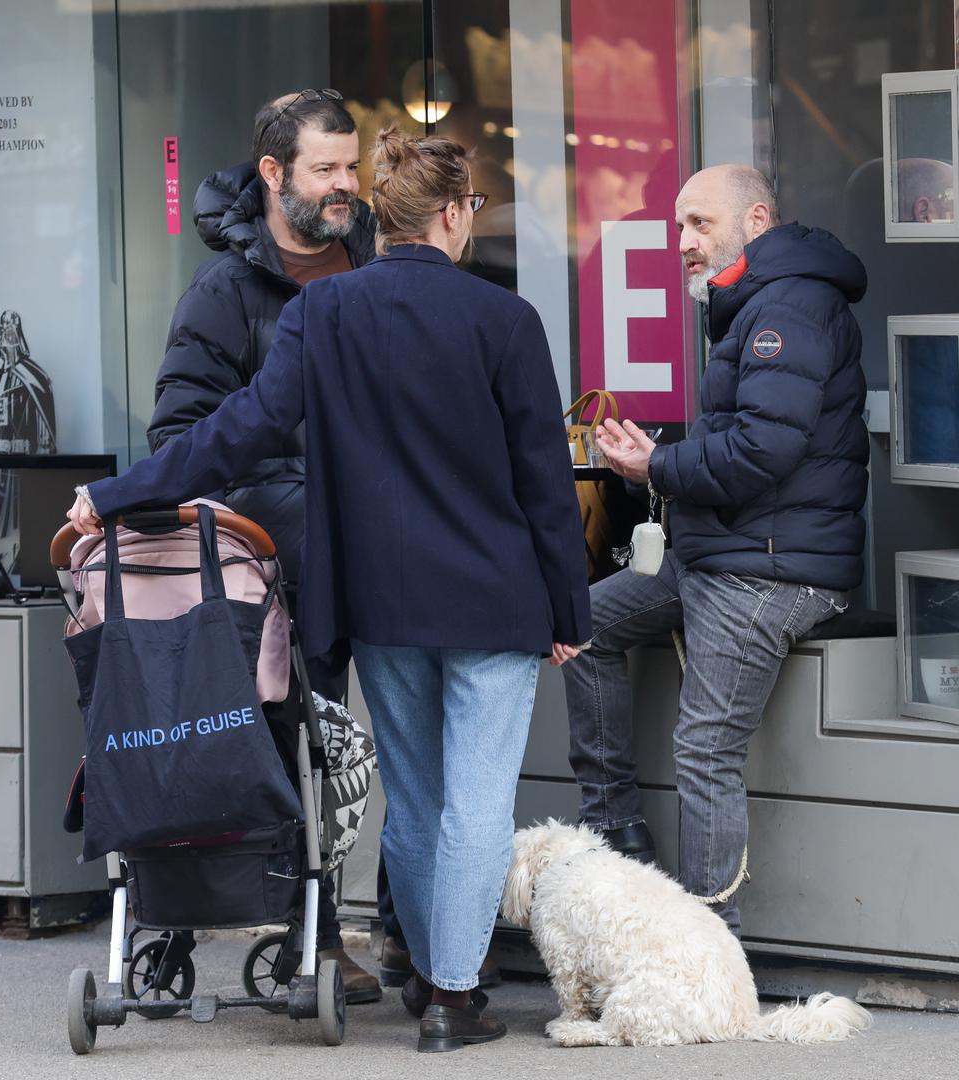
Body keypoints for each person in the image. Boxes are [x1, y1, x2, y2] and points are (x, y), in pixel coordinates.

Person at [68, 125, 590, 1052]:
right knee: (476, 802)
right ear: (456, 214)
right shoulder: (505, 321)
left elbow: (235, 430)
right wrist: (568, 609)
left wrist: (114, 495)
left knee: (419, 802)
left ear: (383, 217)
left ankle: (436, 979)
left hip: (384, 603)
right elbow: (545, 484)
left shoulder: (326, 313)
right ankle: (453, 1001)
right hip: (496, 599)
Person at [562, 164, 869, 935]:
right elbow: (746, 438)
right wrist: (658, 451)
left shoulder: (787, 307)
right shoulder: (756, 302)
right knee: (581, 627)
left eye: (700, 224)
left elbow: (763, 453)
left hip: (772, 568)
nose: (684, 242)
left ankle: (710, 945)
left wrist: (654, 466)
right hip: (728, 551)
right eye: (679, 228)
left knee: (703, 746)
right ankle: (615, 831)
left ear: (756, 220)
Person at [145, 89, 379, 1003]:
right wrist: (292, 489)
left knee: (392, 741)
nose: (344, 186)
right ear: (274, 173)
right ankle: (314, 936)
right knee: (314, 741)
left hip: (383, 547)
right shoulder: (225, 294)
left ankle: (410, 934)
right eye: (325, 169)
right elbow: (181, 439)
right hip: (293, 563)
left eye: (351, 168)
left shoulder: (373, 262)